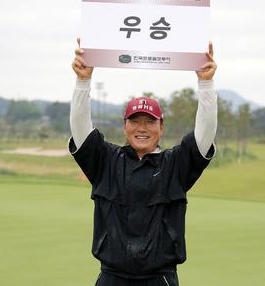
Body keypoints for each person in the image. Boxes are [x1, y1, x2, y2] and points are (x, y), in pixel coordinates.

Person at [69, 38, 218, 286]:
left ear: (161, 127)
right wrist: (83, 81)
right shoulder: (106, 160)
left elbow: (205, 135)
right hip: (111, 277)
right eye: (135, 121)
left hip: (159, 278)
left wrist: (206, 83)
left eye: (150, 122)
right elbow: (81, 131)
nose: (142, 128)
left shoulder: (175, 164)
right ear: (124, 125)